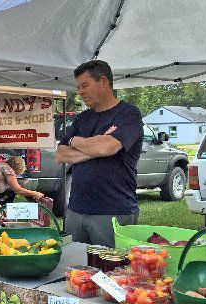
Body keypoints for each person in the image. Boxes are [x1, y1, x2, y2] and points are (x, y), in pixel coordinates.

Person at [55, 60, 143, 248]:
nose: (80, 92)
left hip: (113, 211)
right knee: (76, 270)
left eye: (85, 85)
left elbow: (107, 148)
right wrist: (90, 145)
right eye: (78, 87)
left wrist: (75, 141)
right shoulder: (82, 118)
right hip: (76, 210)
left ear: (103, 81)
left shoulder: (128, 114)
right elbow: (61, 154)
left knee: (111, 272)